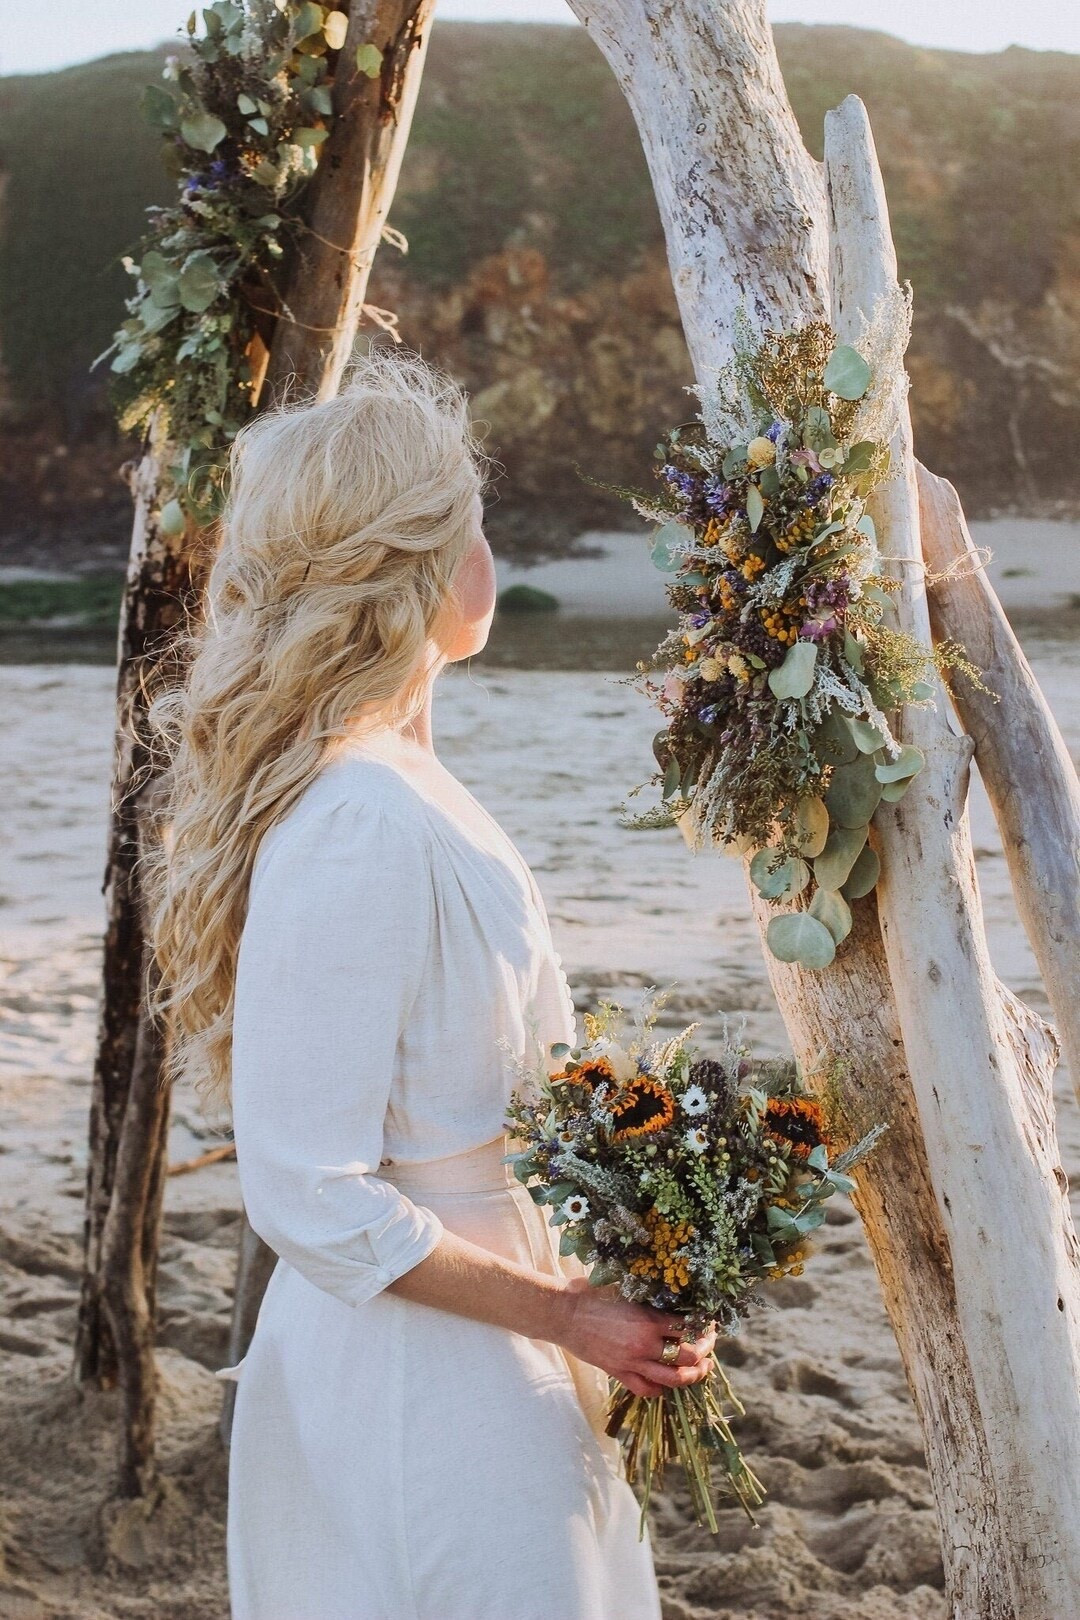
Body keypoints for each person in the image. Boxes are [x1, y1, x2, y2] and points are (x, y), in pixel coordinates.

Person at [148, 352, 716, 1620]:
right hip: (419, 1371)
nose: (488, 550)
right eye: (474, 523)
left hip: (504, 1311)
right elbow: (307, 1188)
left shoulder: (410, 785)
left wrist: (635, 1253)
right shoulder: (356, 818)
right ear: (415, 566)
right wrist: (567, 1317)